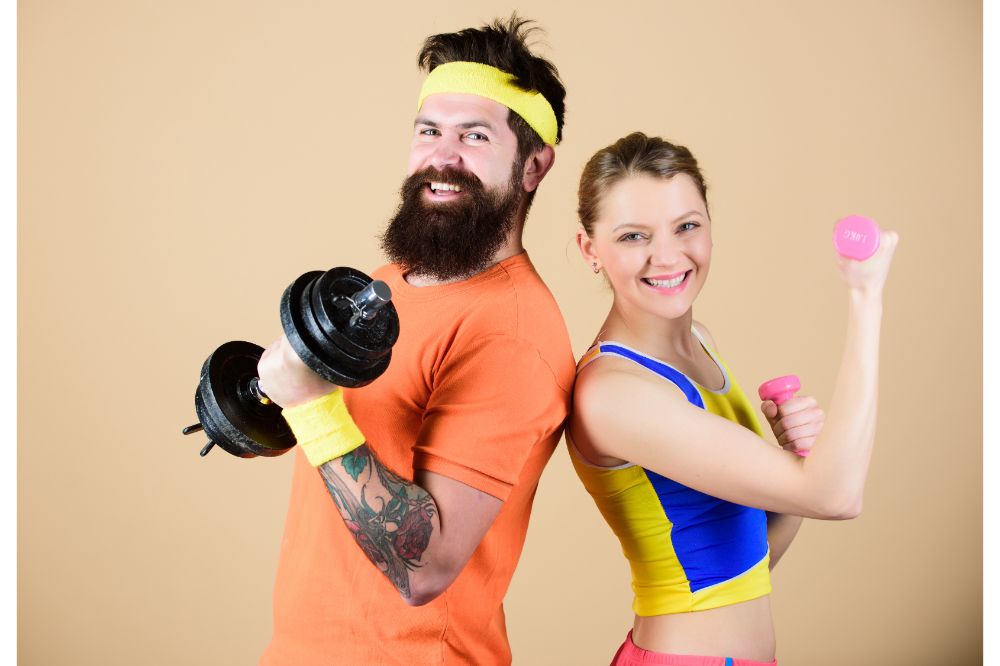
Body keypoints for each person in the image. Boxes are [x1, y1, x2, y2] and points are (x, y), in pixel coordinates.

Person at [255, 16, 574, 666]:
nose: (442, 155)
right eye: (429, 131)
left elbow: (424, 567)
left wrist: (312, 405)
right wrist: (268, 401)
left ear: (534, 165)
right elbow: (346, 443)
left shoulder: (513, 333)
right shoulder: (384, 285)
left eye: (474, 136)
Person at [568, 132, 898, 666]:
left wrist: (797, 469)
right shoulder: (615, 394)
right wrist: (867, 298)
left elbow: (747, 566)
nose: (668, 255)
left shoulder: (702, 345)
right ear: (591, 249)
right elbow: (838, 497)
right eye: (633, 236)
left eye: (687, 226)